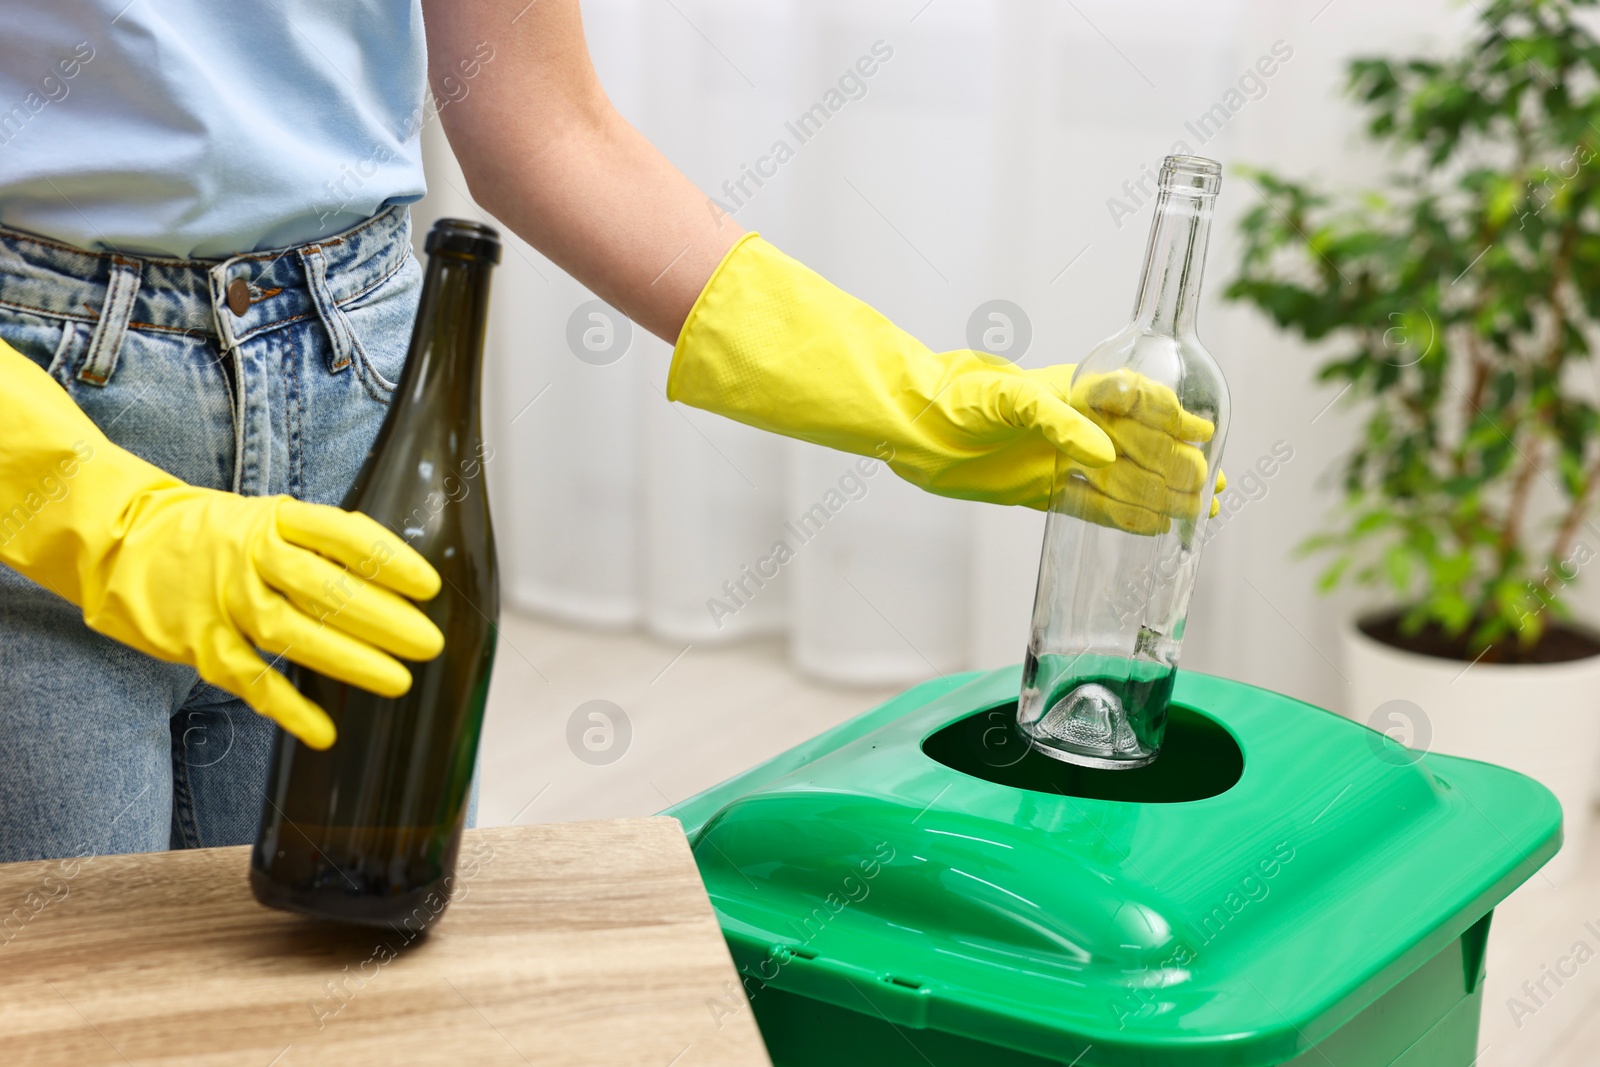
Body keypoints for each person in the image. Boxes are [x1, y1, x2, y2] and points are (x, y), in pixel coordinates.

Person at [0, 0, 1216, 863]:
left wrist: (908, 392)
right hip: (32, 386)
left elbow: (546, 125)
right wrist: (85, 507)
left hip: (357, 392)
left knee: (341, 966)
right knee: (60, 985)